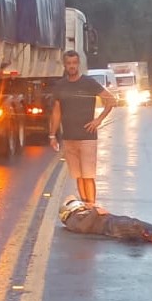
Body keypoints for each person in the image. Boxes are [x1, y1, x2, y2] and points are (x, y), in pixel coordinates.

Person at [49, 51, 116, 214]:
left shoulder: (89, 83)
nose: (72, 66)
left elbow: (111, 99)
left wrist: (98, 120)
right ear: (64, 65)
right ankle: (86, 207)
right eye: (68, 63)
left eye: (74, 63)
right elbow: (56, 112)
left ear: (78, 64)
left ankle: (91, 206)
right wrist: (52, 135)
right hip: (69, 137)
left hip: (87, 137)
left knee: (88, 175)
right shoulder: (60, 86)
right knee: (77, 176)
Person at [59, 195, 152, 243]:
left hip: (115, 221)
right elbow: (83, 228)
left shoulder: (78, 214)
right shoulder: (73, 219)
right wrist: (94, 211)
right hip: (111, 226)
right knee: (142, 230)